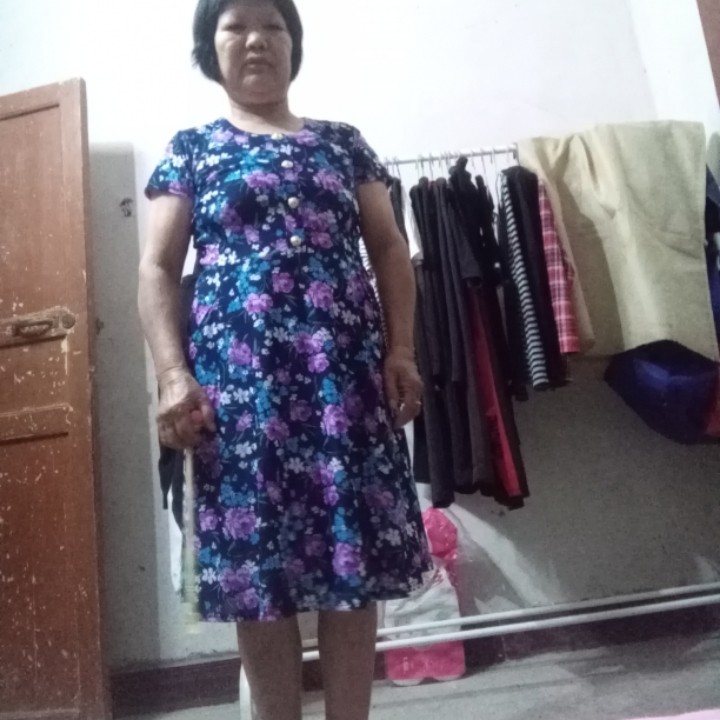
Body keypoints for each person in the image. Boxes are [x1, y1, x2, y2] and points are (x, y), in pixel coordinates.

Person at [138, 1, 431, 718]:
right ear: (209, 48)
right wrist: (172, 375)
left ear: (294, 43)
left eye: (272, 25)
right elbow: (157, 267)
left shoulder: (342, 143)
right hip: (242, 395)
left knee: (351, 567)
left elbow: (389, 247)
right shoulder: (193, 148)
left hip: (343, 384)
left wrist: (401, 349)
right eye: (235, 26)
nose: (256, 40)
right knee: (258, 577)